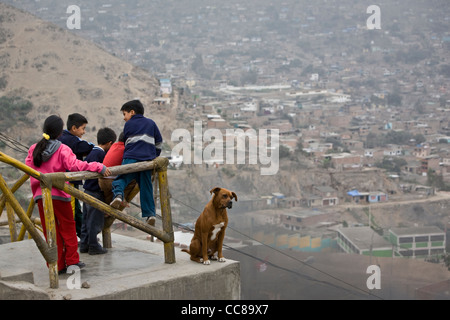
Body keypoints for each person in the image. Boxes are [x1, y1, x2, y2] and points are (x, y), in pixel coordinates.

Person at [25, 115, 111, 274]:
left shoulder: (34, 148)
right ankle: (72, 261)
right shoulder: (62, 149)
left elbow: (29, 168)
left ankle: (56, 264)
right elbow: (76, 166)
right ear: (60, 132)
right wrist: (98, 166)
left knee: (50, 230)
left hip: (41, 197)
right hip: (59, 195)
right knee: (68, 228)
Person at [110, 100, 162, 226]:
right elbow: (159, 142)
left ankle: (118, 195)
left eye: (124, 114)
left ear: (132, 112)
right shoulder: (151, 123)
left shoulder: (129, 124)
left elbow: (128, 142)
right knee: (146, 186)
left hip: (131, 157)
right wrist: (154, 155)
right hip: (147, 160)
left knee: (121, 178)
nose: (124, 118)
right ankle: (150, 214)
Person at [80, 127, 117, 255]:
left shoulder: (92, 152)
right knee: (94, 221)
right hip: (95, 191)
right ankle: (94, 246)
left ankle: (84, 244)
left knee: (86, 220)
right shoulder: (101, 155)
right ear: (110, 143)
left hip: (87, 191)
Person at [58, 113, 94, 237]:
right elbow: (87, 147)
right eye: (83, 128)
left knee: (76, 208)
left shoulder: (60, 137)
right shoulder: (72, 141)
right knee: (71, 208)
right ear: (74, 128)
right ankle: (69, 236)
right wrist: (97, 148)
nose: (83, 132)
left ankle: (82, 234)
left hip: (58, 179)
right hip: (70, 179)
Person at [98, 132, 137, 205]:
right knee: (134, 179)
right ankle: (122, 197)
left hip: (102, 180)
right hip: (111, 181)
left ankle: (107, 212)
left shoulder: (114, 146)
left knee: (108, 202)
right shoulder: (126, 149)